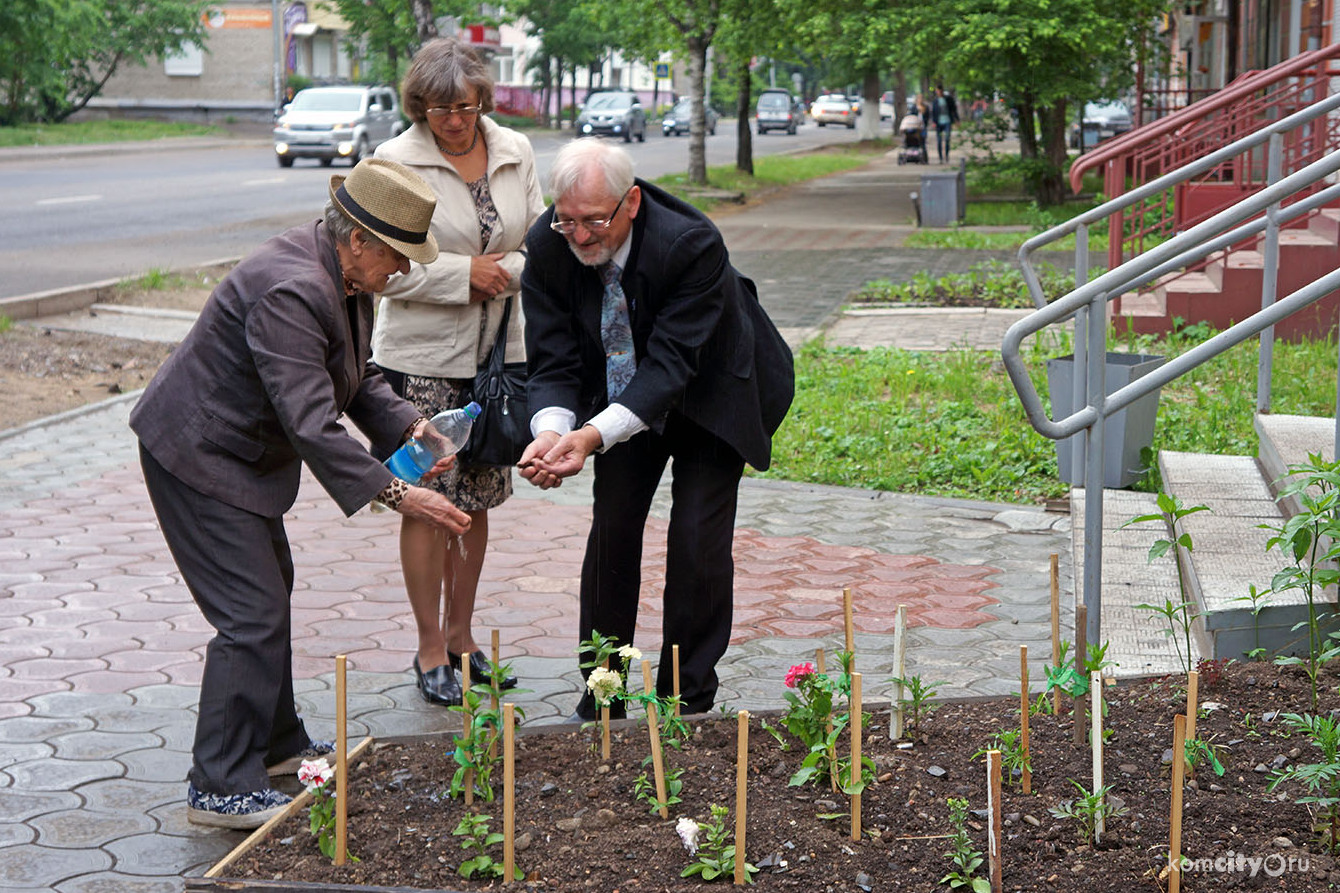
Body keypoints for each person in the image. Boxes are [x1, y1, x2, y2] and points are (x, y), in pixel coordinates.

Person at [130, 158, 472, 829]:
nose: (402, 271)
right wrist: (397, 495)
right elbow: (311, 419)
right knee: (250, 611)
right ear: (360, 241)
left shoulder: (343, 276)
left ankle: (277, 742)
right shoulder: (291, 288)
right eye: (399, 258)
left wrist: (410, 423)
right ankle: (220, 783)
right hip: (197, 452)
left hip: (242, 455)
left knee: (269, 590)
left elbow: (355, 375)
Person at [518, 140, 795, 721]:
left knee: (696, 538)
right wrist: (552, 430)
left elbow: (671, 367)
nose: (582, 235)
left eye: (595, 220)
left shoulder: (689, 243)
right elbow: (552, 360)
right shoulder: (547, 245)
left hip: (714, 387)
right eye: (567, 219)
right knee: (614, 527)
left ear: (632, 202)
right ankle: (603, 690)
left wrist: (591, 436)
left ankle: (686, 698)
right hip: (618, 391)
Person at [372, 37, 545, 707]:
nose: (456, 121)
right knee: (426, 501)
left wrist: (504, 274)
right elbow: (379, 261)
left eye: (467, 106)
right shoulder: (396, 160)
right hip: (421, 364)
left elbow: (539, 241)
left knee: (478, 498)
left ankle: (463, 638)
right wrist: (458, 275)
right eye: (442, 108)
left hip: (497, 358)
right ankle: (427, 648)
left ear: (483, 101)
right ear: (420, 105)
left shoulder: (515, 151)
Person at [932, 85, 960, 163]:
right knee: (939, 140)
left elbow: (953, 110)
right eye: (937, 91)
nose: (938, 92)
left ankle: (946, 155)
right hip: (938, 123)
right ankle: (940, 157)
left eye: (939, 91)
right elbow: (933, 112)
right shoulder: (935, 101)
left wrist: (957, 120)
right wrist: (934, 122)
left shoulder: (948, 99)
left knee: (947, 139)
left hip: (947, 121)